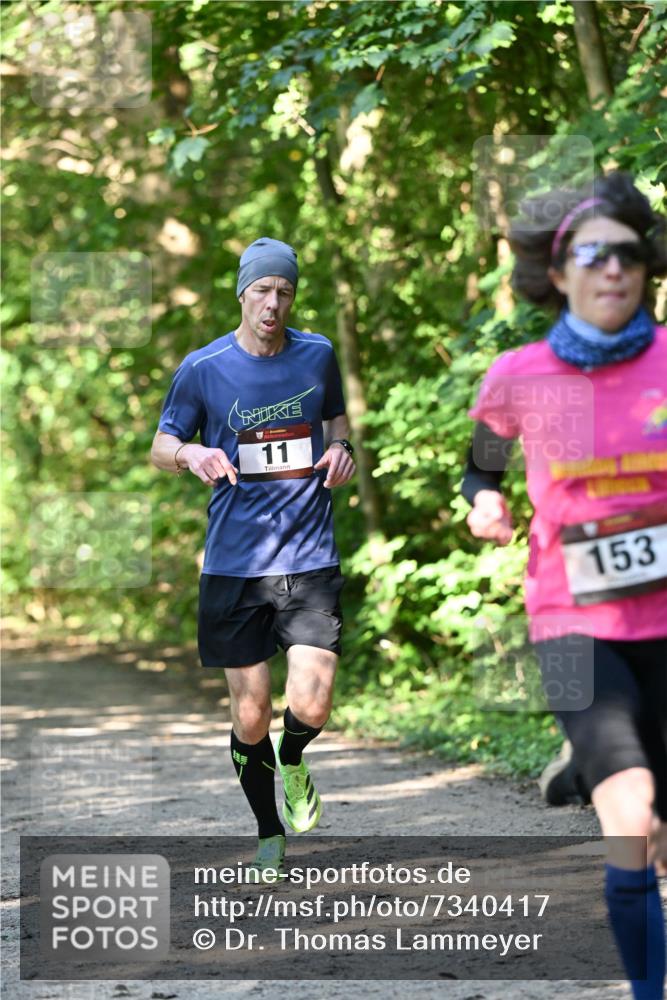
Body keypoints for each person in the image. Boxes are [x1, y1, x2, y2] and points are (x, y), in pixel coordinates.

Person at [462, 172, 666, 999]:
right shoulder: (519, 375)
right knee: (628, 812)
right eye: (593, 255)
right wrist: (485, 500)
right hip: (572, 620)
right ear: (557, 272)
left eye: (628, 254)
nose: (614, 269)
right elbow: (479, 465)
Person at [150, 237, 355, 877]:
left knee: (313, 705)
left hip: (309, 552)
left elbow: (338, 422)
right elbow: (162, 444)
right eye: (262, 290)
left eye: (284, 292)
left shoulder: (317, 355)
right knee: (250, 714)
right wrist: (192, 455)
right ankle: (269, 831)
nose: (273, 303)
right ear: (242, 293)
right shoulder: (204, 367)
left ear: (294, 296)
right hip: (235, 565)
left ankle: (293, 759)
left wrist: (342, 452)